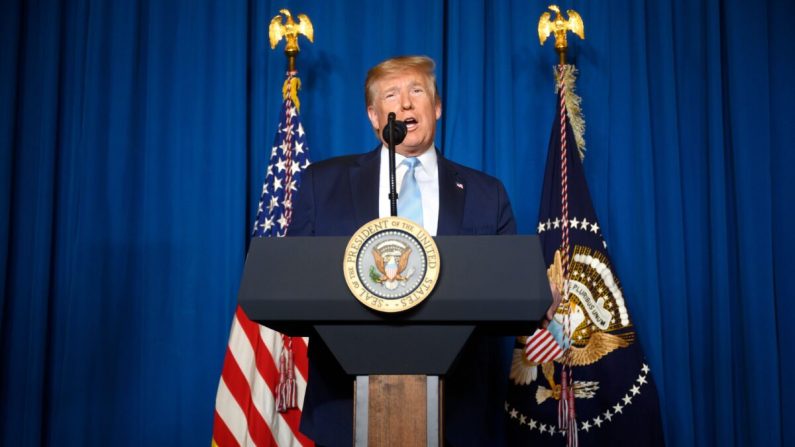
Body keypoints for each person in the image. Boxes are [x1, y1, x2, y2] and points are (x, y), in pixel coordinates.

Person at [288, 55, 517, 446]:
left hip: (459, 409)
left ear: (438, 107)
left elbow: (512, 288)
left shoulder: (485, 193)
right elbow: (293, 280)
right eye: (391, 95)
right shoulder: (321, 185)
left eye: (417, 91)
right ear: (375, 117)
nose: (406, 104)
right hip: (346, 405)